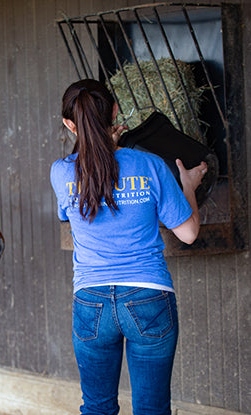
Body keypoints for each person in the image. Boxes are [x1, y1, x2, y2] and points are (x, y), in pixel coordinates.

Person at [50, 79, 207, 415]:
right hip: (148, 295)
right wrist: (188, 186)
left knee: (97, 407)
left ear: (68, 124)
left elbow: (78, 198)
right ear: (116, 111)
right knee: (151, 409)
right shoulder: (148, 166)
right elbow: (189, 233)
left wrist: (108, 146)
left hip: (91, 302)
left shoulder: (60, 173)